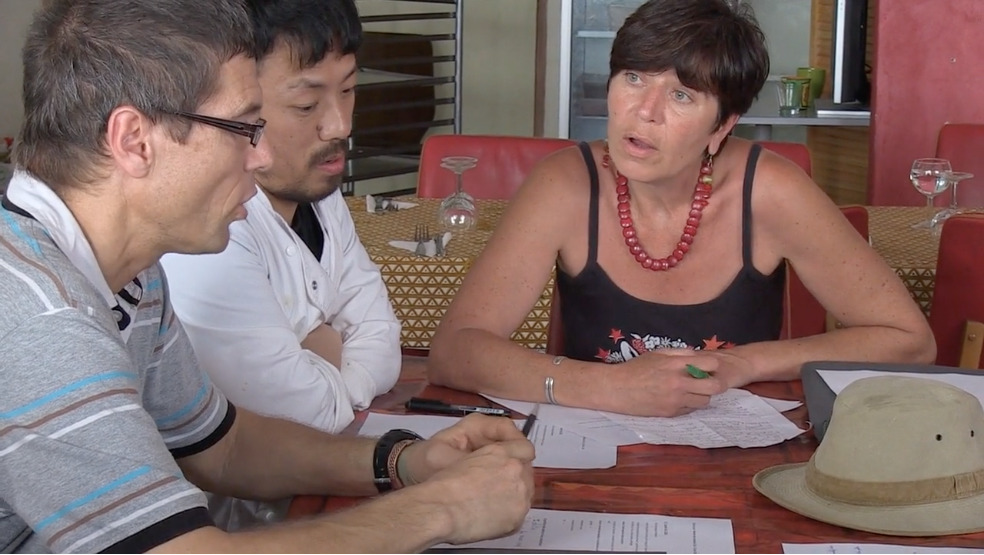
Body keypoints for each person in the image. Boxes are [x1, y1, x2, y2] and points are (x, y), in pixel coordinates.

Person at [0, 0, 533, 552]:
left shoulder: (132, 276)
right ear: (135, 141)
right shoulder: (42, 319)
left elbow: (223, 447)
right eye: (243, 127)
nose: (259, 156)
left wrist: (406, 460)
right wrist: (441, 509)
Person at [428, 0, 935, 418]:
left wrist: (744, 364)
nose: (644, 112)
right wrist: (609, 387)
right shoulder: (564, 183)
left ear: (722, 126)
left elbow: (909, 341)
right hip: (589, 451)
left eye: (681, 95)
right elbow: (454, 351)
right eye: (632, 78)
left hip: (734, 455)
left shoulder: (771, 190)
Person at [161, 0, 402, 530]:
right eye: (306, 104)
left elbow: (384, 338)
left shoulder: (320, 194)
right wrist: (333, 350)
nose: (339, 126)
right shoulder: (206, 232)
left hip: (317, 498)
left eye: (349, 90)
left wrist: (320, 353)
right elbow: (299, 414)